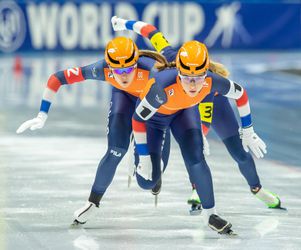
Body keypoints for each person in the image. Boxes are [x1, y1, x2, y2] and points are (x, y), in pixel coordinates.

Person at [111, 16, 283, 214]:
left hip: (213, 102)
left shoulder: (210, 82)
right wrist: (124, 23)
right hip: (189, 106)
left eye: (197, 75)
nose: (191, 81)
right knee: (195, 152)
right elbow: (150, 31)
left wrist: (245, 130)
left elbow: (209, 108)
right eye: (186, 75)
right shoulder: (170, 58)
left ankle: (257, 189)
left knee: (238, 152)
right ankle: (197, 189)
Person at [16, 37, 171, 225]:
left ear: (136, 63)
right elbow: (57, 78)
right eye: (117, 71)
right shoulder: (101, 69)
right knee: (116, 151)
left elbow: (183, 95)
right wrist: (42, 114)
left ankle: (151, 155)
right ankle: (93, 202)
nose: (123, 76)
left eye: (128, 69)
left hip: (151, 106)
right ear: (109, 67)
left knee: (149, 182)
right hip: (124, 99)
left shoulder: (152, 69)